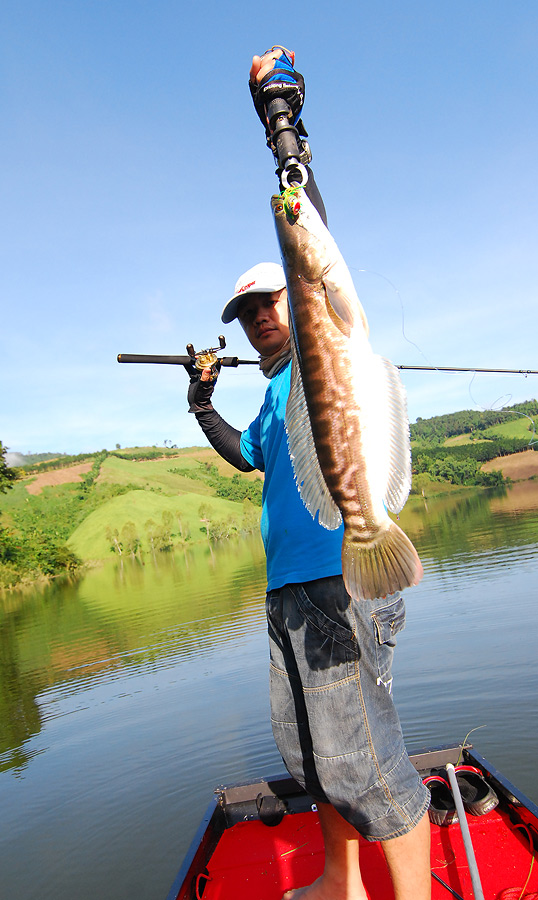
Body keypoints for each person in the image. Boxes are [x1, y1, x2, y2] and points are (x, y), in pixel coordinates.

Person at [187, 48, 431, 900]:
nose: (258, 319)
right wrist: (200, 404)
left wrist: (281, 126)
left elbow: (310, 239)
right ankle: (342, 883)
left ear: (296, 300)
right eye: (245, 313)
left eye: (268, 303)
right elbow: (247, 456)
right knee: (314, 757)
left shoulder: (325, 336)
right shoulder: (267, 400)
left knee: (365, 759)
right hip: (288, 590)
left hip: (343, 580)